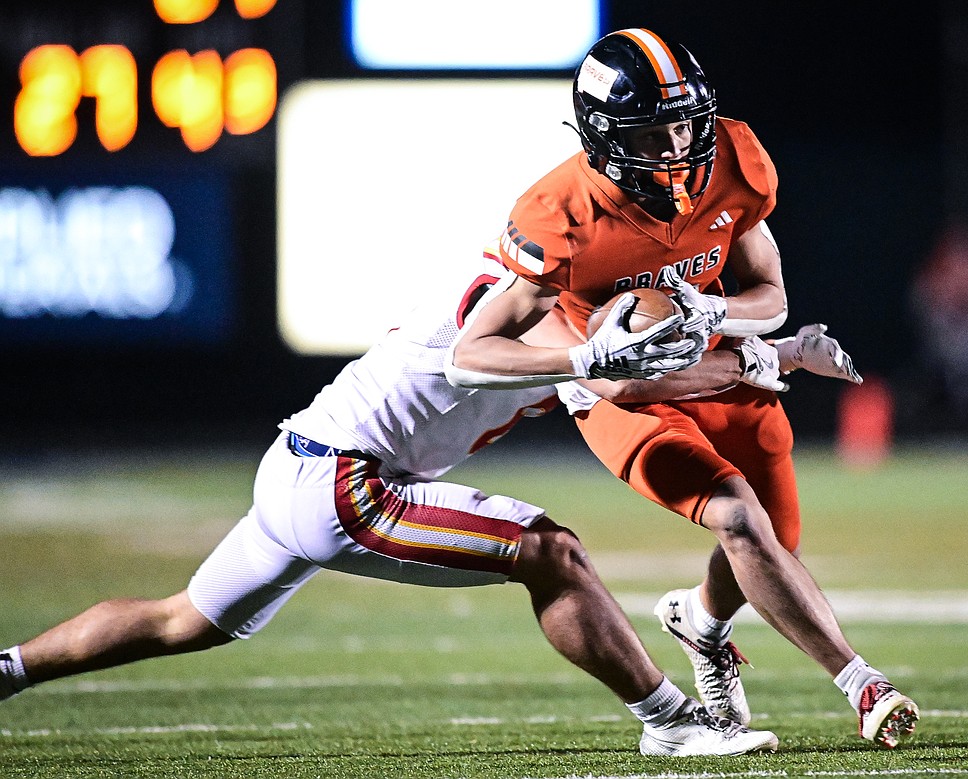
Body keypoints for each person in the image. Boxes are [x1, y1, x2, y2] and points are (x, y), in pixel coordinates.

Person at [0, 254, 780, 757]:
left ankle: (9, 668)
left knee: (183, 619)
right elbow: (620, 379)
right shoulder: (537, 319)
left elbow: (622, 374)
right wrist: (747, 359)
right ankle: (673, 722)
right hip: (346, 481)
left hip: (295, 464)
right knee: (554, 553)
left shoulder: (532, 306)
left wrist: (746, 353)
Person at [446, 27, 919, 748]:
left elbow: (771, 294)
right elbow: (470, 350)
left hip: (710, 354)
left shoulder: (731, 157)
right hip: (622, 394)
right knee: (736, 517)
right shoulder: (560, 214)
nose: (675, 148)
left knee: (775, 536)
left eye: (684, 125)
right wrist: (586, 359)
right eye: (652, 134)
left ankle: (701, 623)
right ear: (603, 137)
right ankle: (862, 683)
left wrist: (713, 311)